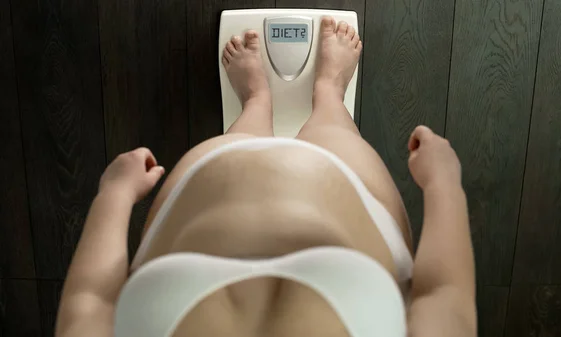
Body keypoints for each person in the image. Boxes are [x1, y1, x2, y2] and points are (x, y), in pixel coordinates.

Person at [56, 17, 476, 337]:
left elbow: (89, 303)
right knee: (331, 126)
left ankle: (256, 100)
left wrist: (113, 195)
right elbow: (444, 299)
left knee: (245, 133)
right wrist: (443, 184)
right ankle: (328, 90)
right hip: (341, 194)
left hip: (213, 185)